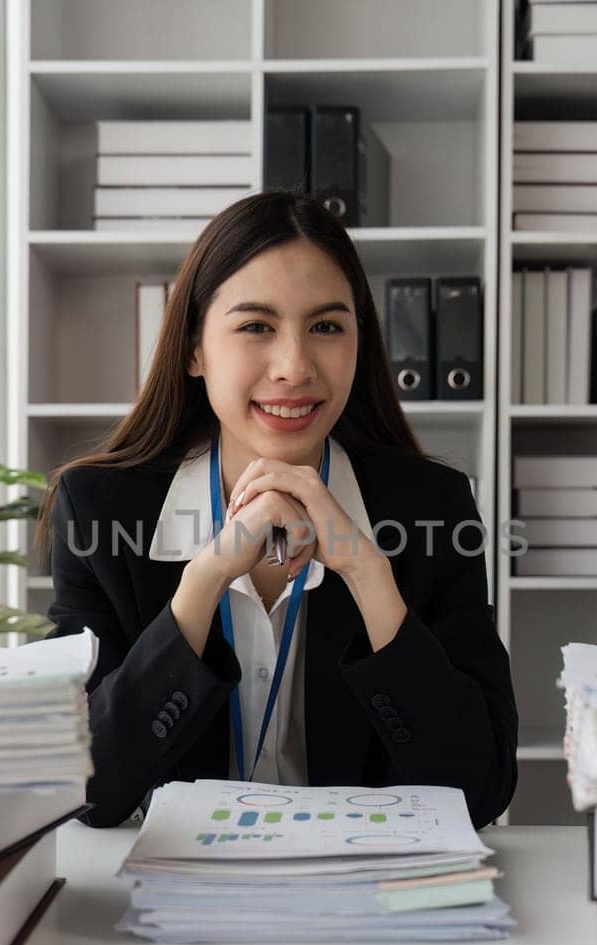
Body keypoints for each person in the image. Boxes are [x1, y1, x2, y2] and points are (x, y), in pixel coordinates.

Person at [42, 191, 517, 829]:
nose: (294, 367)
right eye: (256, 326)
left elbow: (479, 792)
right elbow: (84, 792)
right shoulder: (100, 510)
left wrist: (368, 575)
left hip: (359, 891)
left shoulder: (432, 509)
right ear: (194, 351)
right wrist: (202, 582)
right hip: (180, 895)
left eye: (326, 327)